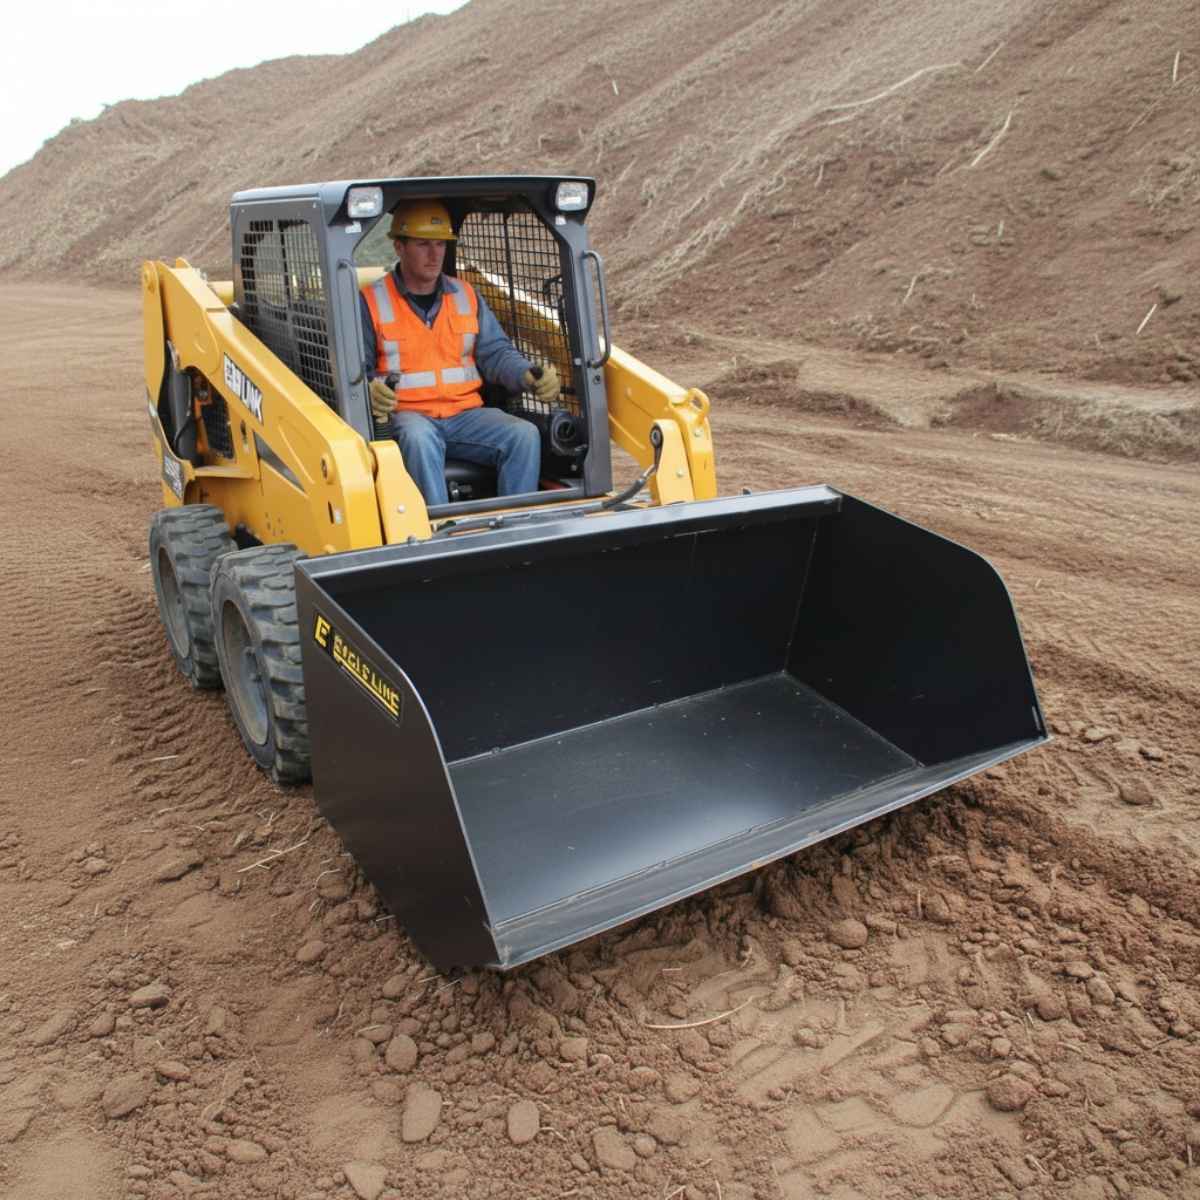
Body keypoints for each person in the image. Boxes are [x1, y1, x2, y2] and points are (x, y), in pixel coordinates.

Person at [359, 199, 559, 506]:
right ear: (399, 247)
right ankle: (440, 534)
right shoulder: (371, 300)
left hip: (465, 415)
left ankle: (515, 529)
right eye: (423, 244)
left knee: (523, 435)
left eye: (440, 244)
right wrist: (368, 388)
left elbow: (496, 353)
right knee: (418, 439)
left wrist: (527, 375)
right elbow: (358, 368)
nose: (434, 254)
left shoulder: (466, 295)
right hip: (410, 417)